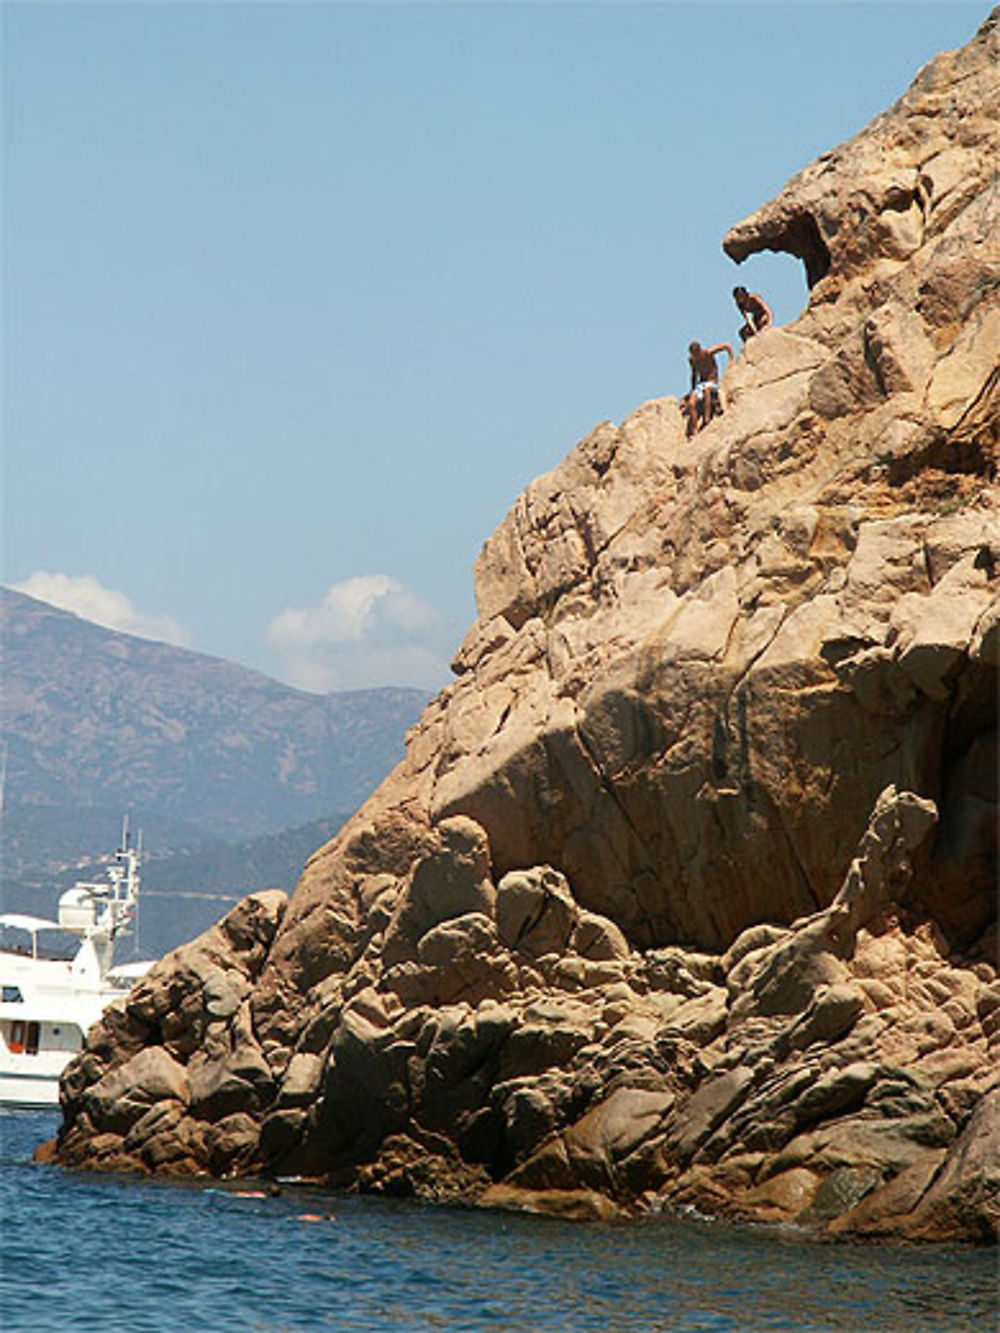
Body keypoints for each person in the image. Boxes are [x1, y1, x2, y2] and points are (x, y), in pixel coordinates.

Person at [685, 339, 734, 433]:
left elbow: (726, 345)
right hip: (701, 384)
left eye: (697, 355)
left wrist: (731, 359)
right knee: (691, 403)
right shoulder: (692, 361)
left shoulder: (708, 353)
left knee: (707, 391)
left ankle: (706, 419)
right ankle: (694, 428)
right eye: (694, 356)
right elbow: (694, 375)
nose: (696, 357)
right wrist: (692, 389)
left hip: (712, 381)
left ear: (700, 351)